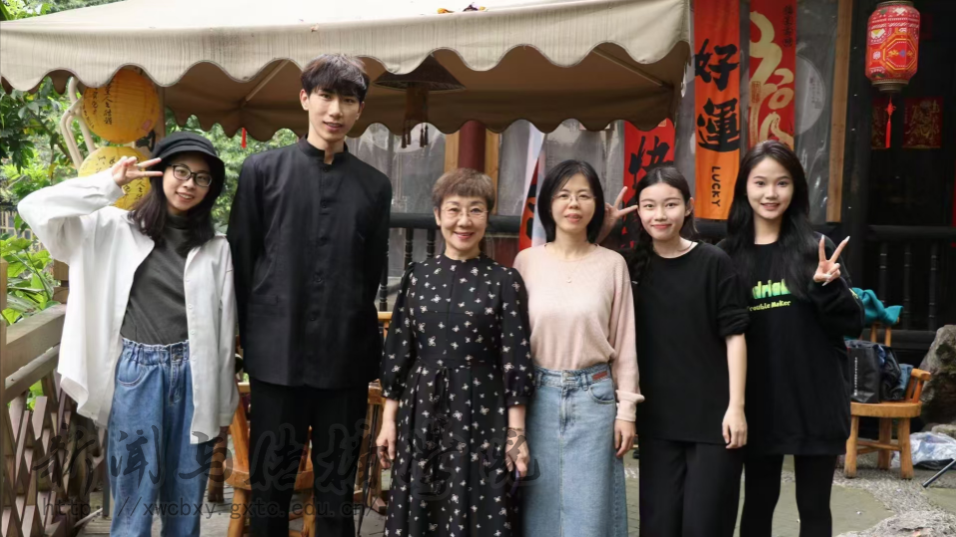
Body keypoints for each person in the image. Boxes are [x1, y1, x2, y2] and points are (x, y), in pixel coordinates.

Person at [18, 132, 238, 536]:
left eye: (202, 178)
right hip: (138, 374)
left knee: (185, 503)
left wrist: (223, 407)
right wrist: (109, 183)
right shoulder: (111, 228)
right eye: (181, 171)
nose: (189, 184)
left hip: (196, 375)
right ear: (159, 172)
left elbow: (225, 331)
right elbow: (34, 207)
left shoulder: (216, 246)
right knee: (133, 500)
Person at [227, 54, 393, 536]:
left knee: (337, 490)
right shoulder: (262, 171)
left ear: (360, 109)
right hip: (275, 355)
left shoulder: (374, 186)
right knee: (270, 486)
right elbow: (242, 258)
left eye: (348, 100)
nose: (335, 110)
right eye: (325, 96)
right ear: (304, 99)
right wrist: (245, 336)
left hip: (345, 358)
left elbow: (370, 271)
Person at [375, 168, 535, 537]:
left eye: (475, 210)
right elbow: (399, 352)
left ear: (487, 217)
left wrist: (516, 434)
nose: (464, 221)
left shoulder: (505, 281)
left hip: (483, 411)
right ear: (437, 215)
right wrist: (388, 421)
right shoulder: (417, 276)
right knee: (422, 503)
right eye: (454, 210)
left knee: (480, 504)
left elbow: (515, 360)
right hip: (422, 410)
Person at [719, 140, 863, 537]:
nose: (771, 193)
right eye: (760, 182)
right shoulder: (727, 255)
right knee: (757, 503)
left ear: (795, 188)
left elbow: (852, 324)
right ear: (744, 188)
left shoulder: (816, 250)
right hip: (758, 404)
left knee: (814, 508)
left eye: (782, 183)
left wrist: (827, 287)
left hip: (815, 400)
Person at [602, 165, 749, 537]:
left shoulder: (714, 261)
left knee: (705, 526)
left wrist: (736, 407)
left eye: (670, 204)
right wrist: (603, 231)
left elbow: (735, 336)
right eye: (649, 206)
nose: (660, 215)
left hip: (713, 420)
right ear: (638, 211)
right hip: (657, 421)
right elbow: (582, 270)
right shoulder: (628, 265)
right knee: (658, 526)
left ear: (688, 207)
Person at [514, 160, 640, 537]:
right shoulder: (526, 261)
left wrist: (627, 410)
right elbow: (514, 344)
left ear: (597, 204)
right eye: (564, 195)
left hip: (594, 399)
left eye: (584, 195)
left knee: (591, 513)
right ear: (548, 204)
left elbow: (625, 342)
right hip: (537, 396)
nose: (573, 204)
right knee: (537, 510)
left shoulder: (612, 264)